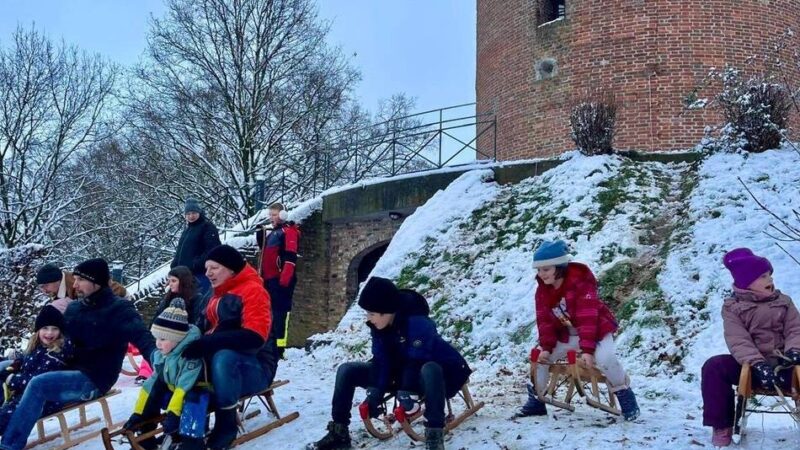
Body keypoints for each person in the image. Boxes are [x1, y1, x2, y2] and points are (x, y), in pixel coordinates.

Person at [0, 258, 157, 450]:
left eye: (79, 280)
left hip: (94, 379)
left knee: (38, 384)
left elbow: (142, 337)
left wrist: (159, 360)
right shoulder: (75, 308)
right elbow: (57, 341)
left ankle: (9, 445)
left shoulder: (119, 309)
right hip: (67, 371)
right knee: (3, 367)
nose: (74, 285)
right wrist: (23, 359)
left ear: (95, 281)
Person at [309, 277, 472, 450]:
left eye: (371, 313)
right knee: (346, 370)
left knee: (429, 368)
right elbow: (381, 361)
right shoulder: (379, 327)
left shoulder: (418, 323)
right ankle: (339, 432)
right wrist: (375, 392)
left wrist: (407, 393)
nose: (368, 319)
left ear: (386, 311)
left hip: (438, 373)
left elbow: (416, 361)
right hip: (400, 374)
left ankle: (434, 437)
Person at [518, 240, 640, 421]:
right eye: (539, 270)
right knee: (539, 357)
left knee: (606, 359)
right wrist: (546, 348)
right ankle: (537, 399)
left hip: (596, 331)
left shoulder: (581, 283)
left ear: (559, 267)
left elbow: (588, 318)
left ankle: (625, 396)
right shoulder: (543, 291)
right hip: (567, 334)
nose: (541, 274)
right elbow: (544, 322)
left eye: (546, 269)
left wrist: (588, 350)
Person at [701, 248, 800, 448]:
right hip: (751, 367)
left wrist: (794, 352)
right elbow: (738, 339)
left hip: (786, 365)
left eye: (770, 274)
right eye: (763, 276)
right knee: (714, 367)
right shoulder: (733, 308)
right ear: (747, 282)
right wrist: (757, 364)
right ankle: (722, 424)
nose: (769, 279)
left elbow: (795, 329)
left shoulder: (784, 302)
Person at [181, 245, 277, 450]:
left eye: (214, 268)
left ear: (231, 268)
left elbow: (255, 337)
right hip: (218, 370)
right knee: (190, 372)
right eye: (206, 268)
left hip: (254, 367)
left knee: (224, 356)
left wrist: (210, 342)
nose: (208, 273)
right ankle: (190, 435)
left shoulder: (254, 291)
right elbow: (200, 327)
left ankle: (227, 424)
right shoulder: (214, 295)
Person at [124, 298, 203, 450]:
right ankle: (146, 432)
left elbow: (184, 386)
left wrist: (173, 414)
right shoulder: (163, 354)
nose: (158, 343)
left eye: (163, 339)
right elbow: (149, 384)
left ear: (177, 339)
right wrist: (138, 413)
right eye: (156, 338)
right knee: (155, 387)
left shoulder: (190, 356)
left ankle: (191, 442)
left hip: (198, 390)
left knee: (194, 399)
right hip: (175, 390)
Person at [0, 306, 73, 434]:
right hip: (22, 395)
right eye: (45, 328)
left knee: (4, 418)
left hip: (43, 400)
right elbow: (25, 360)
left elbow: (38, 382)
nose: (49, 333)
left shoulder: (58, 353)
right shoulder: (36, 347)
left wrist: (11, 379)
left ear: (60, 331)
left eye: (54, 329)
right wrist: (16, 365)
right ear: (38, 330)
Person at [256, 202, 300, 358]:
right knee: (267, 312)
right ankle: (268, 343)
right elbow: (265, 254)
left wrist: (284, 279)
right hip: (268, 279)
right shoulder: (273, 232)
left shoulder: (288, 231)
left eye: (275, 215)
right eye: (270, 214)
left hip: (280, 280)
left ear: (283, 215)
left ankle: (280, 348)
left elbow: (290, 257)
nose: (271, 218)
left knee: (280, 314)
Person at [172, 198, 221, 298]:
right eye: (188, 214)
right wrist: (174, 267)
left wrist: (195, 264)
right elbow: (179, 252)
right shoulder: (186, 231)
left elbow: (212, 250)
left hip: (201, 274)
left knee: (200, 302)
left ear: (199, 212)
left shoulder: (207, 227)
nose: (191, 216)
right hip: (184, 276)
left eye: (194, 212)